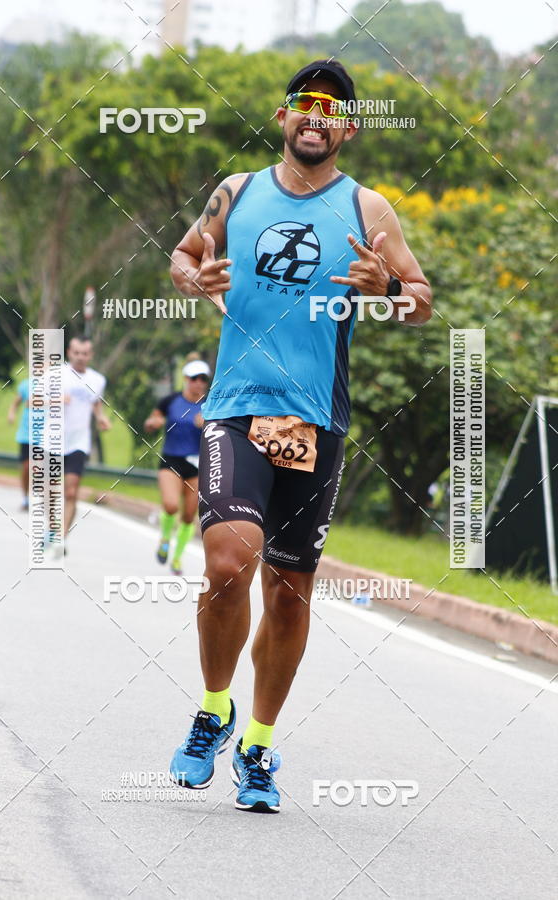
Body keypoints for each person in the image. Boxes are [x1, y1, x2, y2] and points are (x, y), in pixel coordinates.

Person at [168, 59, 432, 812]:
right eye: (303, 103)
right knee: (229, 559)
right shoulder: (238, 192)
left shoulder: (369, 208)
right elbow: (184, 254)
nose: (316, 116)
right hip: (235, 407)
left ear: (348, 127)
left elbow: (420, 301)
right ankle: (213, 708)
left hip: (317, 417)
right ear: (284, 117)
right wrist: (192, 275)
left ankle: (258, 743)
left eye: (332, 108)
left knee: (289, 595)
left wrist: (385, 288)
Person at [144, 358, 209, 575]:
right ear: (185, 379)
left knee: (189, 516)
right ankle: (164, 538)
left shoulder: (211, 406)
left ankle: (178, 558)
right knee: (171, 505)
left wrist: (208, 424)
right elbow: (152, 421)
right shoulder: (170, 401)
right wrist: (154, 423)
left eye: (203, 379)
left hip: (198, 465)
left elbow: (224, 435)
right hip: (171, 460)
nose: (198, 383)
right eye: (194, 378)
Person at [62, 336, 110, 548]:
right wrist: (53, 400)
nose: (80, 357)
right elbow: (32, 402)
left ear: (90, 355)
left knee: (71, 491)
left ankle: (60, 539)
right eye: (76, 353)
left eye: (85, 353)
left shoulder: (98, 380)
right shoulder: (56, 375)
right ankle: (51, 527)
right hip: (51, 440)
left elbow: (95, 404)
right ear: (69, 352)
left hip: (79, 442)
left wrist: (101, 418)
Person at [7, 377, 31, 509]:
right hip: (26, 434)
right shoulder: (26, 384)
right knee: (27, 467)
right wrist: (11, 413)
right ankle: (26, 497)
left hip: (46, 435)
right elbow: (16, 402)